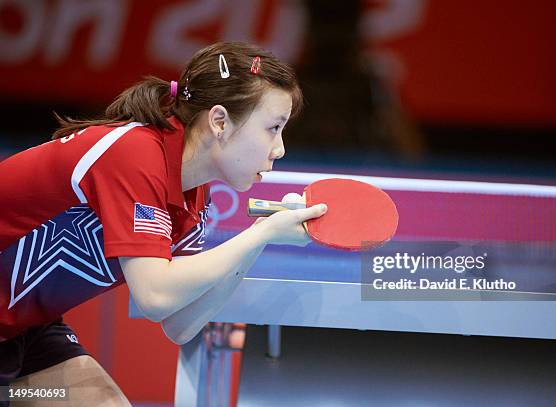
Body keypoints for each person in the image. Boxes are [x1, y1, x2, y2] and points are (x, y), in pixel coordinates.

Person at [0, 41, 326, 405]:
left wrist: (260, 240)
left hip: (23, 330)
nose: (279, 148)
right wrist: (260, 233)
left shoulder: (194, 197)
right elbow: (155, 295)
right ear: (219, 121)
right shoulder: (134, 154)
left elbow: (180, 325)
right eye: (273, 127)